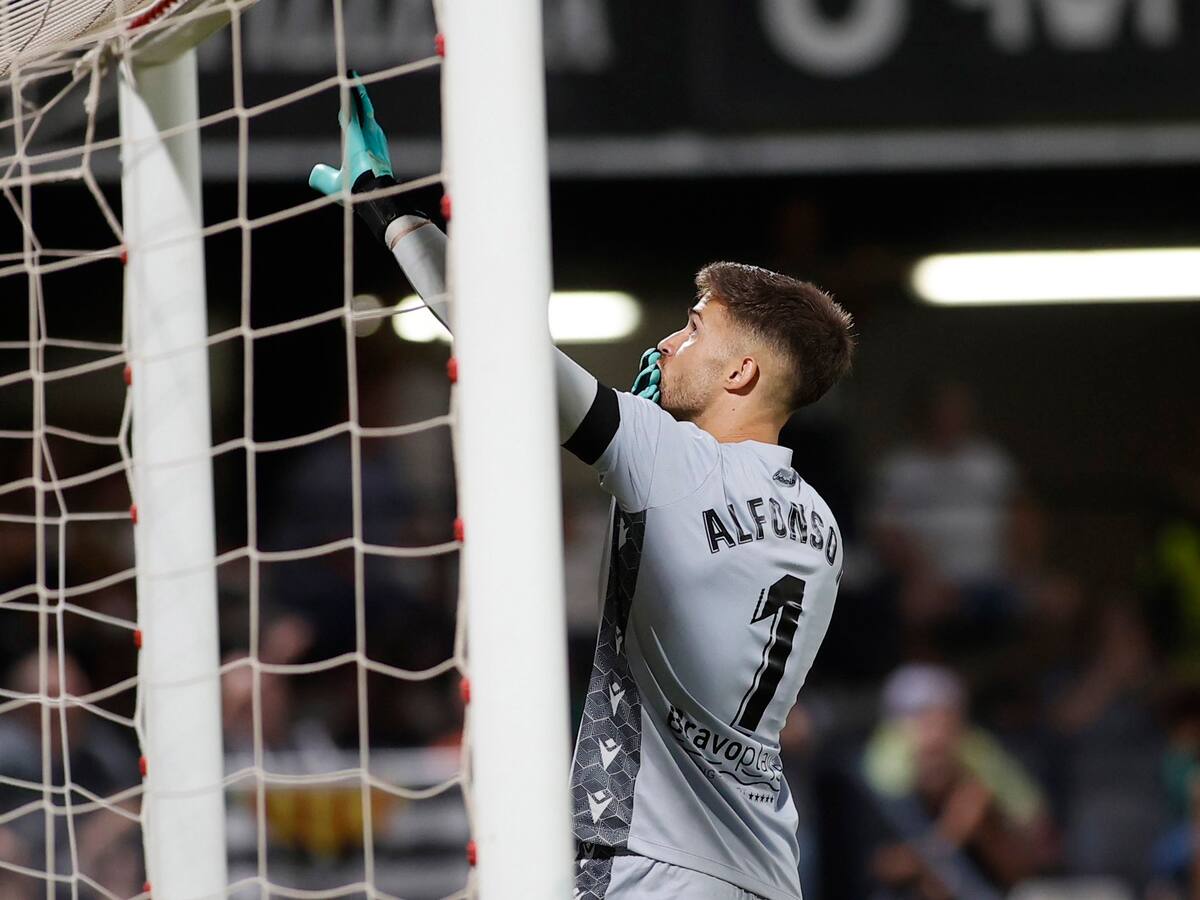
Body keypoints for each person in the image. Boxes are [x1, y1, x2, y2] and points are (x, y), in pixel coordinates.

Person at [309, 78, 855, 900]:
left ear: (741, 372)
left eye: (693, 329)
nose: (666, 343)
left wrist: (384, 207)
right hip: (767, 870)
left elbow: (497, 338)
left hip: (654, 866)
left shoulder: (669, 459)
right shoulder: (821, 523)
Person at [862, 664, 1055, 899]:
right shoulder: (883, 799)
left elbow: (1023, 868)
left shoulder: (980, 788)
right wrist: (950, 835)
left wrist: (977, 824)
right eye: (923, 721)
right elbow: (885, 867)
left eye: (946, 722)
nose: (936, 735)